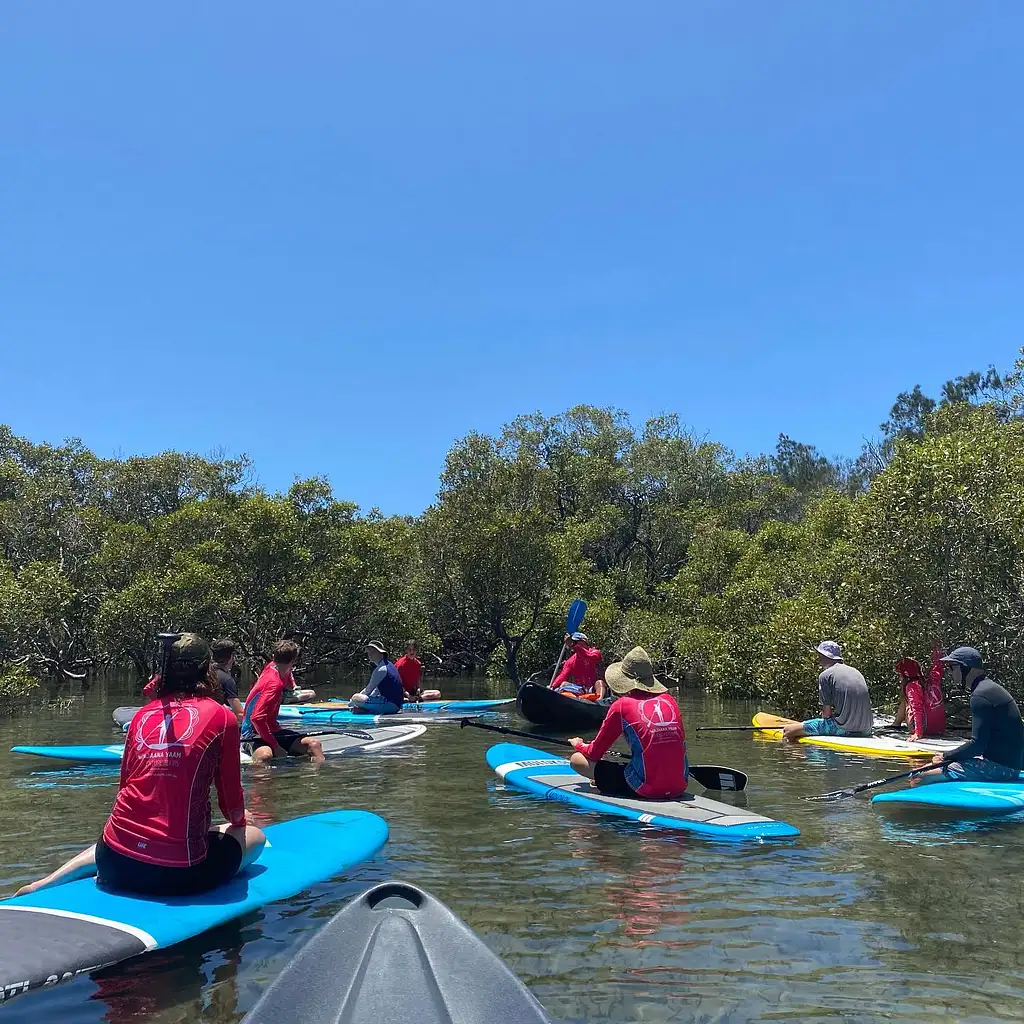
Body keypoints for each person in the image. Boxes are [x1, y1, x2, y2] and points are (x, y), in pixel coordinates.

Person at [16, 633, 265, 897]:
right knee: (253, 837)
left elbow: (125, 787)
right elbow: (230, 802)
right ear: (207, 669)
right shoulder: (222, 716)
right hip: (179, 873)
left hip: (114, 862)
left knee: (122, 828)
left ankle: (47, 882)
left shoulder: (141, 716)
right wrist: (240, 820)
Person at [567, 646, 687, 800]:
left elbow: (593, 753)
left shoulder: (621, 705)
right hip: (680, 785)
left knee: (576, 760)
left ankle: (600, 781)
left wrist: (578, 744)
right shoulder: (670, 700)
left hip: (644, 788)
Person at [927, 646, 1023, 781]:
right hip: (1011, 767)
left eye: (952, 667)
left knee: (919, 777)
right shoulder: (989, 688)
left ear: (965, 668)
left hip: (1001, 770)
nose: (950, 673)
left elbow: (977, 745)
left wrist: (945, 756)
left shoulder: (980, 695)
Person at [241, 640, 325, 763]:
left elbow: (288, 672)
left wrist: (292, 685)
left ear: (274, 657)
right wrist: (275, 747)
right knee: (265, 756)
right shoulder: (273, 684)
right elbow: (256, 718)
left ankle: (313, 778)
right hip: (252, 733)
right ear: (293, 661)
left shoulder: (275, 666)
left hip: (274, 730)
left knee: (314, 745)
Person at [782, 640, 873, 742]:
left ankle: (797, 754)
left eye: (819, 655)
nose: (818, 659)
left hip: (844, 729)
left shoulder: (825, 675)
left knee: (787, 731)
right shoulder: (856, 671)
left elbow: (826, 715)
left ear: (824, 656)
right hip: (867, 729)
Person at [891, 646, 946, 738]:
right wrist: (936, 649)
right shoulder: (933, 679)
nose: (899, 679)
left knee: (907, 701)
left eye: (900, 675)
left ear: (905, 676)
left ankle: (896, 724)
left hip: (924, 728)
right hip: (940, 728)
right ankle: (896, 724)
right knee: (908, 700)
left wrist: (918, 732)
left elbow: (917, 709)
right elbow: (938, 666)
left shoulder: (912, 686)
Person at [349, 641, 404, 715]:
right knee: (365, 698)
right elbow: (376, 690)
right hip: (397, 705)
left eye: (373, 652)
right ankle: (365, 709)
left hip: (390, 706)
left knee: (356, 697)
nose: (370, 654)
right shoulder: (390, 665)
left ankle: (364, 709)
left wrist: (352, 702)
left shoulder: (380, 669)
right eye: (369, 652)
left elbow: (367, 691)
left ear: (381, 653)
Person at [551, 633, 604, 698]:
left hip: (593, 688)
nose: (574, 644)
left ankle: (599, 701)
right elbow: (563, 675)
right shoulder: (570, 661)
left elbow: (588, 656)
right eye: (574, 642)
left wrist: (574, 645)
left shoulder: (595, 653)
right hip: (580, 689)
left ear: (585, 643)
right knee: (564, 683)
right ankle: (574, 700)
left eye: (576, 642)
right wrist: (552, 687)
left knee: (599, 682)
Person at [211, 638, 245, 721]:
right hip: (217, 722)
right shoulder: (227, 680)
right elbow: (240, 714)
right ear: (232, 656)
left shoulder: (203, 673)